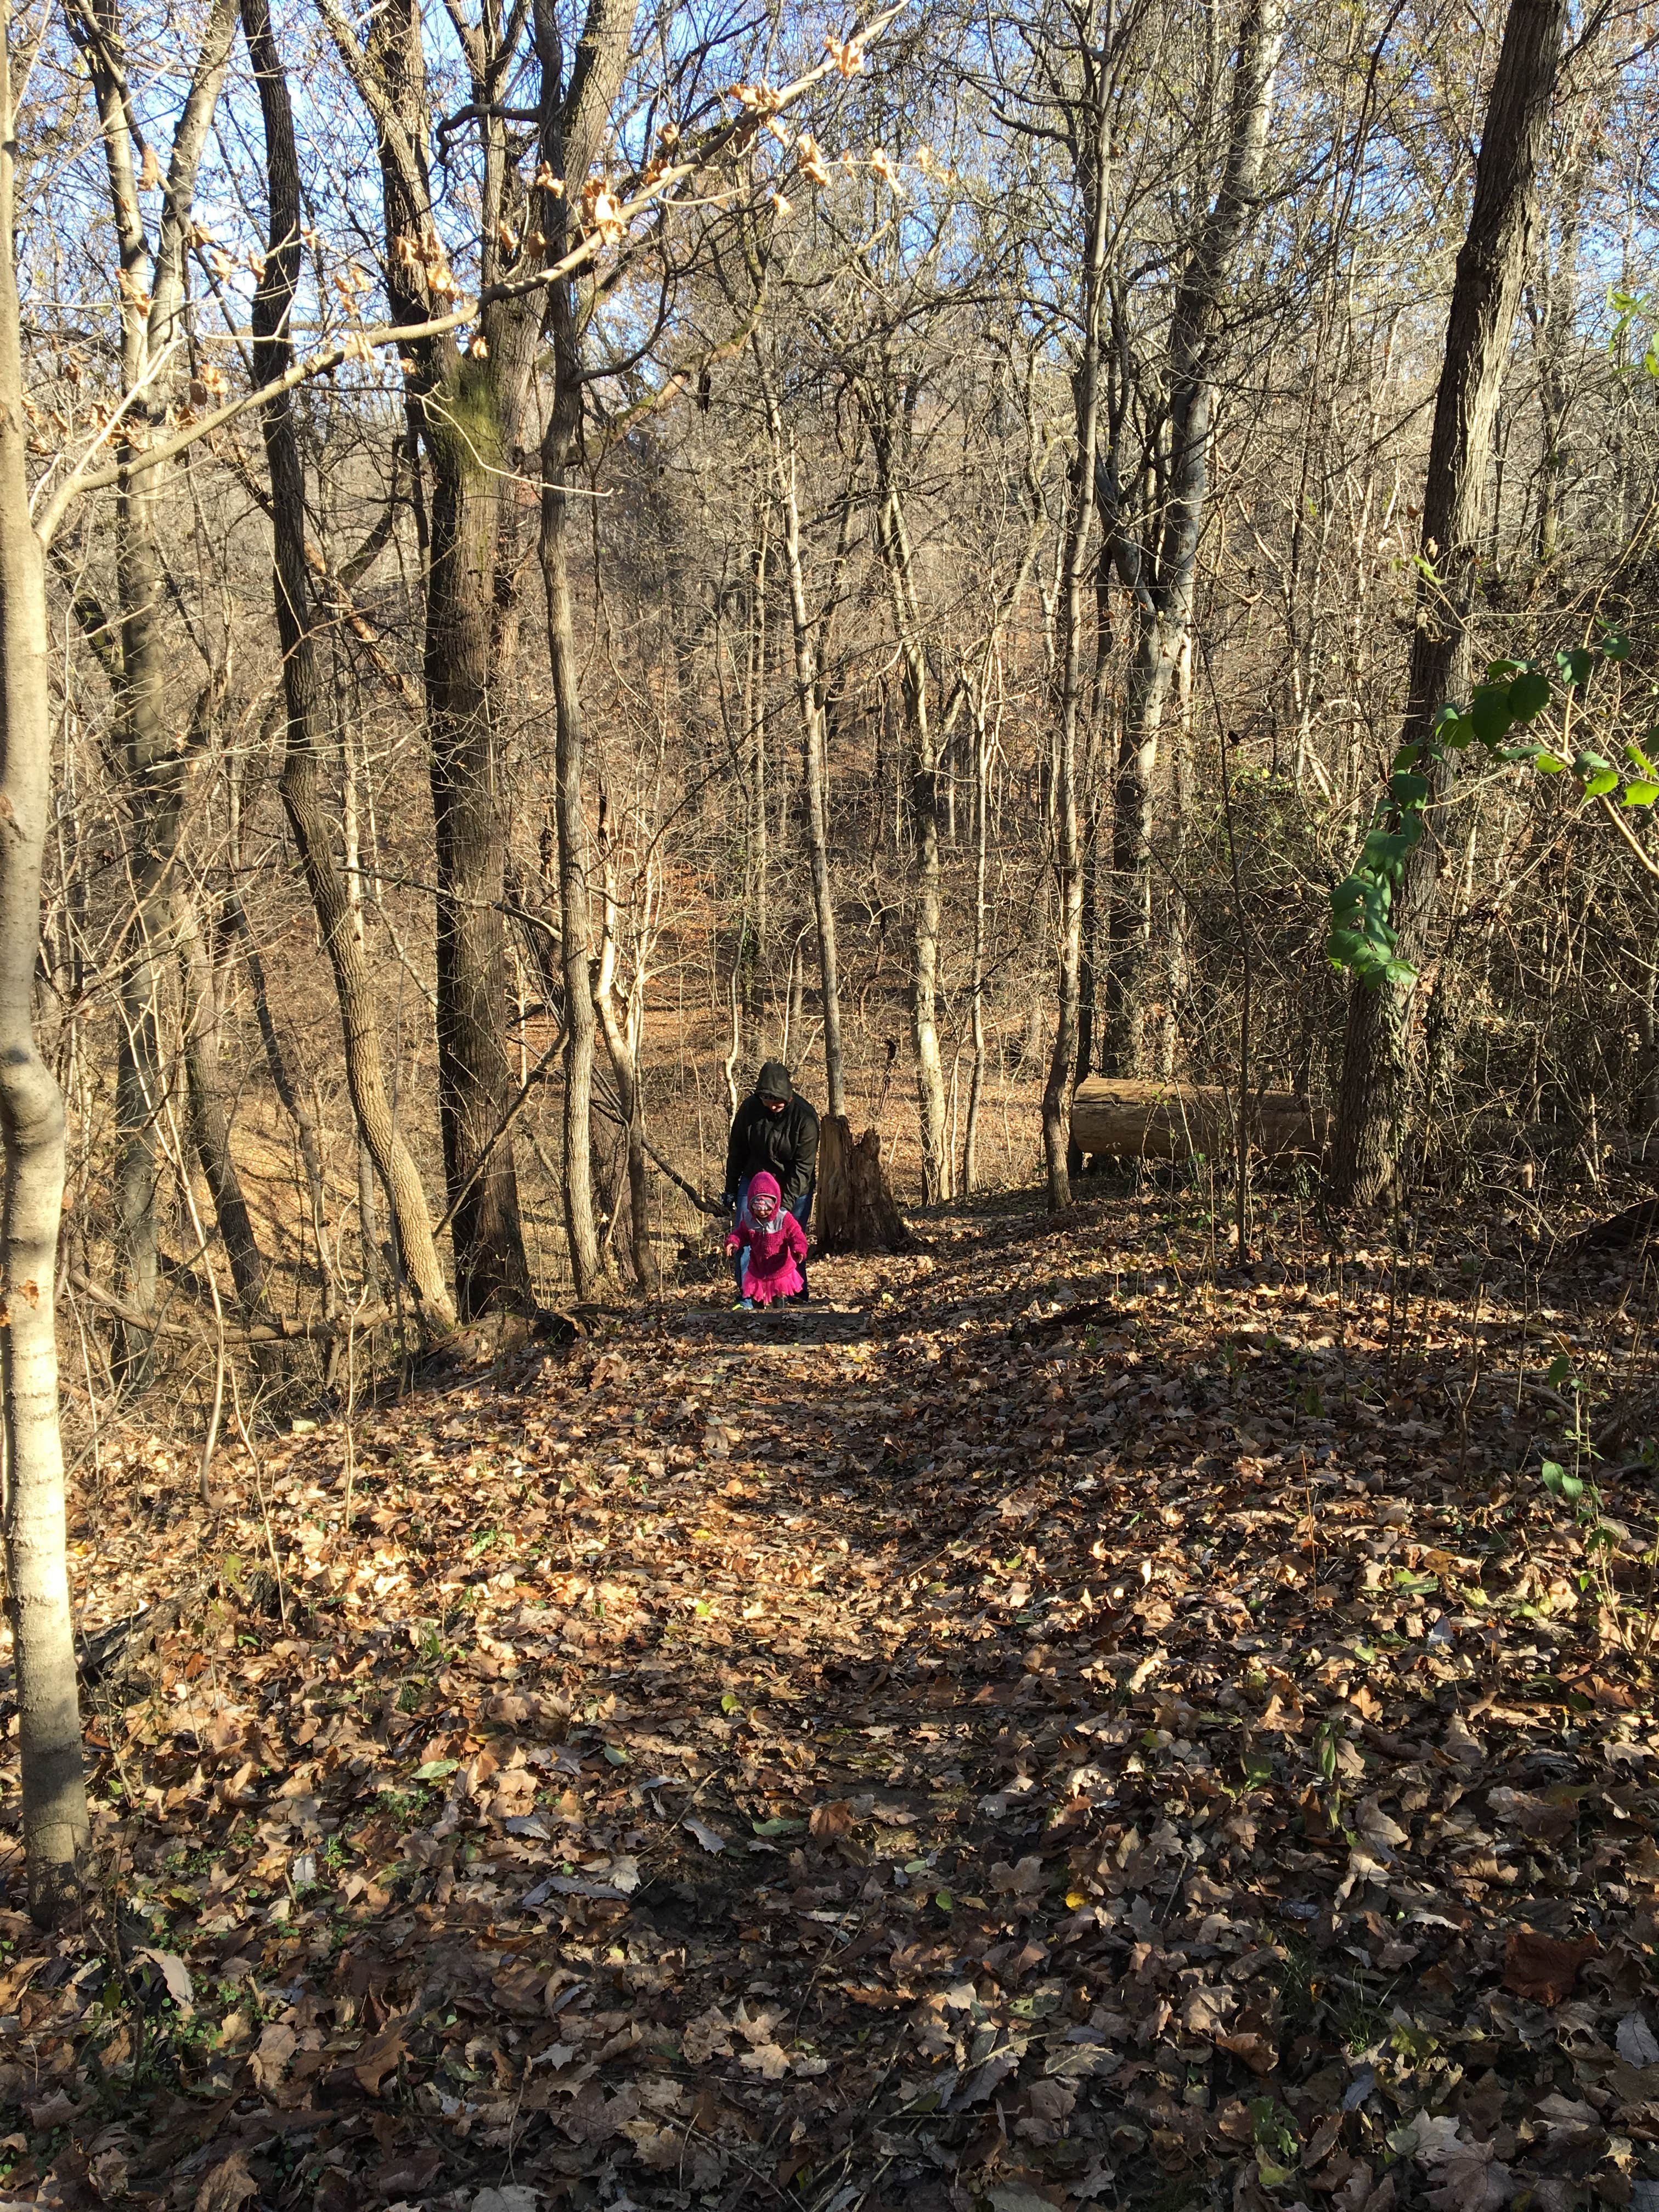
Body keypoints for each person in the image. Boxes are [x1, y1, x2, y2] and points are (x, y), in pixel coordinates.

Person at [724, 1058, 817, 1302]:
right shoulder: (749, 1110)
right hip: (755, 1183)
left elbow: (804, 1167)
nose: (773, 1106)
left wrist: (782, 1208)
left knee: (792, 1237)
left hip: (793, 1186)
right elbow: (737, 1151)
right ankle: (749, 1297)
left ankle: (795, 1293)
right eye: (768, 1100)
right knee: (746, 1236)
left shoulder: (805, 1118)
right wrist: (731, 1188)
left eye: (778, 1101)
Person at [725, 1171, 808, 1308]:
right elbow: (741, 1234)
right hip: (758, 1265)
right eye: (757, 1208)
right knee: (756, 1295)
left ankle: (779, 1315)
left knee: (778, 1294)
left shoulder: (783, 1218)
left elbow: (797, 1235)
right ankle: (758, 1316)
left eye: (767, 1209)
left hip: (779, 1265)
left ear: (775, 1204)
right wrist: (733, 1242)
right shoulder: (749, 1220)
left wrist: (799, 1249)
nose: (762, 1212)